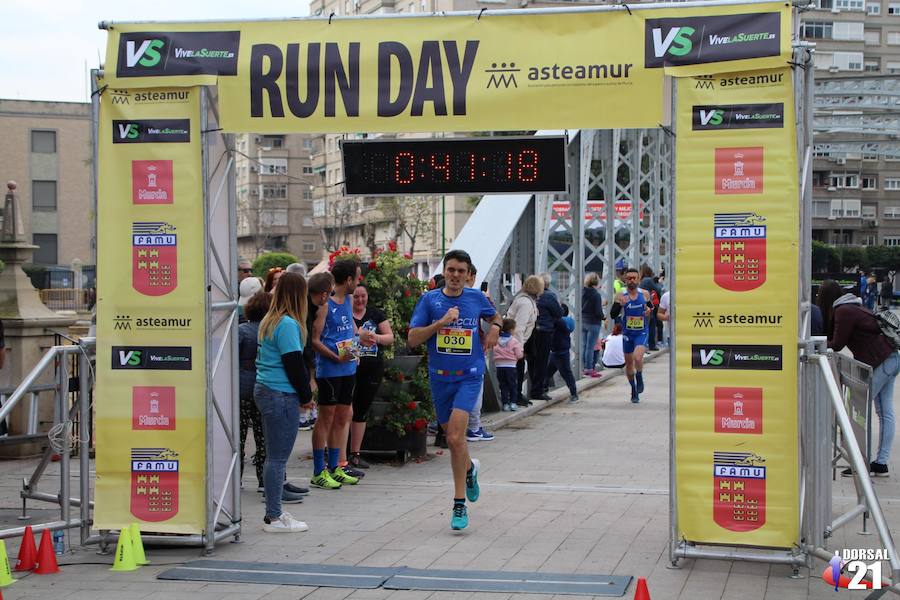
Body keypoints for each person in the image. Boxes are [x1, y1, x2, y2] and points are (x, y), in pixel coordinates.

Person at [408, 249, 501, 530]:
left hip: (469, 376)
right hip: (440, 378)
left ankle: (459, 504)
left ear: (468, 274)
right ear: (444, 272)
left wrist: (495, 328)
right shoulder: (430, 300)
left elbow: (496, 317)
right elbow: (412, 339)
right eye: (451, 270)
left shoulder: (476, 298)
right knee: (455, 441)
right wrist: (440, 323)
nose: (456, 275)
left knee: (454, 437)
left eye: (462, 271)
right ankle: (470, 469)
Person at [820, 280, 900, 477]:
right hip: (890, 358)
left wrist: (815, 343)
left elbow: (837, 344)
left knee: (859, 409)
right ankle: (880, 463)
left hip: (883, 360)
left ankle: (860, 462)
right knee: (884, 411)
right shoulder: (852, 306)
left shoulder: (843, 311)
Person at [254, 272, 313, 533]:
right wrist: (307, 396)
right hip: (281, 393)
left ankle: (274, 512)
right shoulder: (288, 324)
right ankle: (274, 516)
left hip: (266, 389)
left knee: (272, 456)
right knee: (277, 458)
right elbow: (294, 365)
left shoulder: (269, 320)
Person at [311, 260, 373, 488]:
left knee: (343, 416)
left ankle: (337, 467)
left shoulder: (348, 300)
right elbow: (315, 340)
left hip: (349, 368)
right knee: (325, 419)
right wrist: (335, 357)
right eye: (356, 278)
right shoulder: (326, 305)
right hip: (329, 370)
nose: (358, 282)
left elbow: (351, 331)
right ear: (348, 280)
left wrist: (361, 337)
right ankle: (319, 470)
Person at [346, 283, 395, 470]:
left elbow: (390, 337)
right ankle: (337, 453)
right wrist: (358, 336)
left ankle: (355, 453)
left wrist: (376, 337)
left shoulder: (375, 314)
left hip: (372, 368)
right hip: (349, 366)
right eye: (356, 296)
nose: (359, 300)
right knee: (344, 409)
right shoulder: (345, 315)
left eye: (363, 296)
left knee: (361, 410)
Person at [299, 272, 335, 432]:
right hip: (303, 357)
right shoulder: (306, 310)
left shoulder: (307, 305)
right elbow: (309, 340)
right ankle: (305, 411)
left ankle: (308, 410)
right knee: (310, 381)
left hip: (306, 355)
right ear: (324, 294)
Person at [610, 268, 652, 403]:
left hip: (641, 331)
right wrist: (619, 305)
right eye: (629, 278)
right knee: (628, 364)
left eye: (634, 278)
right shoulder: (620, 295)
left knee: (637, 357)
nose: (632, 281)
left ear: (639, 279)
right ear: (625, 280)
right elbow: (612, 314)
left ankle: (639, 376)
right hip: (628, 333)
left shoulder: (645, 294)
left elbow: (651, 308)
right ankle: (633, 390)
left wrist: (648, 311)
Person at [465, 264, 494, 442]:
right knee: (475, 388)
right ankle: (474, 427)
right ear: (472, 276)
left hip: (447, 355)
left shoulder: (439, 295)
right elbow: (493, 315)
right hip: (473, 351)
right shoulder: (476, 297)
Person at [506, 275, 543, 407]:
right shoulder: (526, 303)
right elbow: (519, 327)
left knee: (518, 369)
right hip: (516, 342)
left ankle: (516, 395)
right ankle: (515, 396)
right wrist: (519, 347)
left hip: (517, 340)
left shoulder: (526, 300)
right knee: (518, 369)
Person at [530, 273, 563, 401]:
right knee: (542, 361)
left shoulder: (530, 295)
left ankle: (533, 388)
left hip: (531, 332)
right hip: (544, 332)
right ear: (547, 284)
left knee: (532, 360)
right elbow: (559, 313)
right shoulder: (549, 296)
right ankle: (539, 390)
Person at [546, 304, 579, 402]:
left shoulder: (560, 321)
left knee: (565, 373)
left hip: (559, 351)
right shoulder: (567, 321)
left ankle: (574, 394)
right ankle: (543, 389)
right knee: (548, 372)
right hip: (558, 350)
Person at [494, 318, 524, 412]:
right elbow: (519, 355)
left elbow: (494, 350)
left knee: (503, 385)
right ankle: (513, 403)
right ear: (511, 330)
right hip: (511, 366)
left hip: (499, 366)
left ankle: (505, 404)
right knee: (513, 385)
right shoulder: (514, 341)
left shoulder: (497, 340)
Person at [581, 272, 605, 377]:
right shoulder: (596, 295)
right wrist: (604, 317)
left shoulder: (581, 292)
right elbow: (598, 312)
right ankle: (590, 368)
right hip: (593, 323)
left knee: (584, 346)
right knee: (590, 347)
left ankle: (583, 368)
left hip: (583, 321)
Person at [640, 265, 662, 351]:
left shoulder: (641, 281)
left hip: (641, 304)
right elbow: (658, 289)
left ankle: (646, 345)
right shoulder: (648, 280)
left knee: (646, 324)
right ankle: (650, 345)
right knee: (650, 325)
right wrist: (659, 282)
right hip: (647, 305)